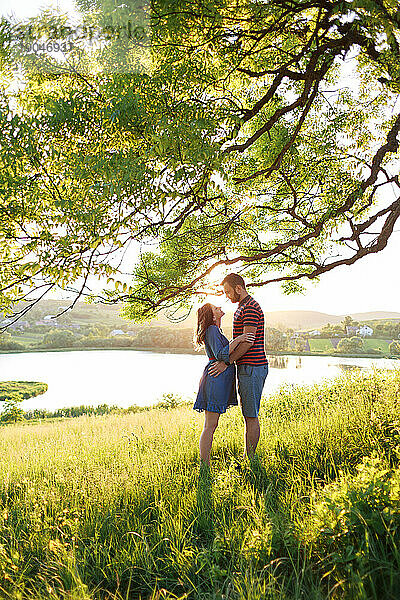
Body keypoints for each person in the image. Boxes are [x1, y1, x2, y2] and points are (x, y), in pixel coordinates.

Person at [208, 274, 268, 459]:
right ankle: (248, 457)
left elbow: (247, 342)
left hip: (252, 367)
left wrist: (226, 362)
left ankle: (250, 460)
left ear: (239, 288)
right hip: (247, 367)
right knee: (248, 415)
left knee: (251, 415)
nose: (227, 296)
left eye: (228, 291)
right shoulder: (242, 307)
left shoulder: (250, 307)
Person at [193, 303, 255, 466]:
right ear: (212, 316)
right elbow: (221, 354)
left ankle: (204, 464)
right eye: (215, 308)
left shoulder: (215, 330)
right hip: (215, 379)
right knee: (210, 425)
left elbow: (223, 352)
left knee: (212, 424)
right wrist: (239, 339)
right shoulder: (212, 330)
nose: (220, 307)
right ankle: (204, 466)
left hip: (220, 379)